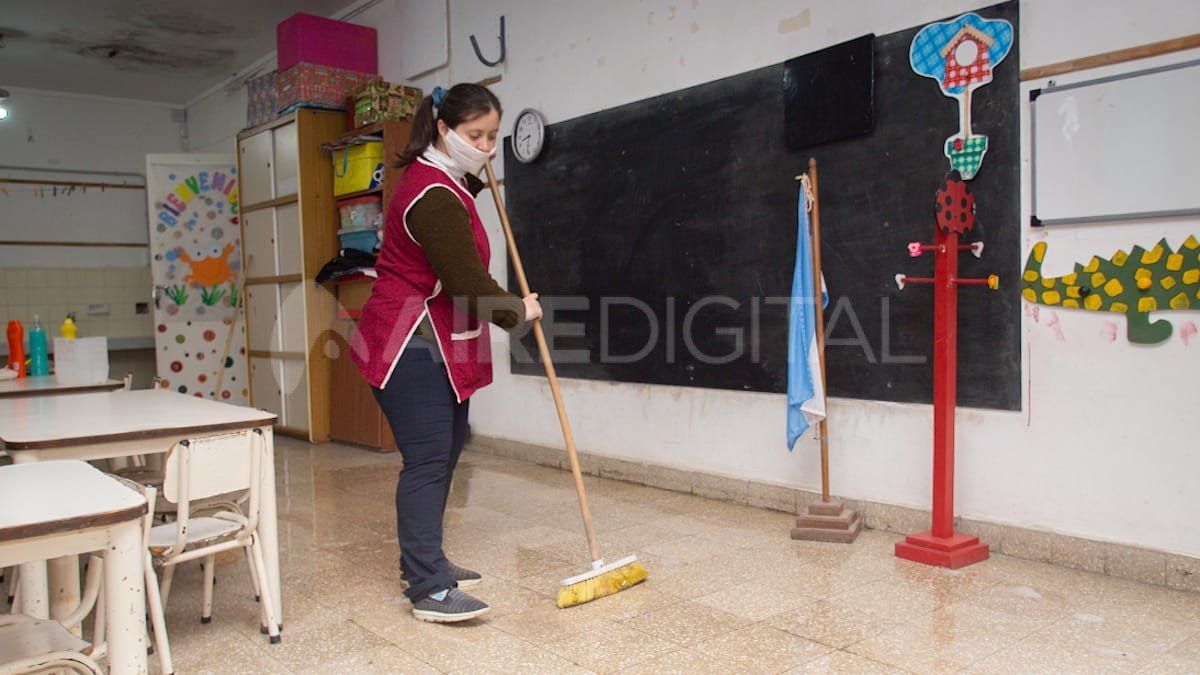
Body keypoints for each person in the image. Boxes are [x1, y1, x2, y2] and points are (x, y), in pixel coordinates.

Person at [351, 83, 542, 622]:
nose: (484, 146)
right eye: (474, 135)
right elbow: (466, 284)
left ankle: (425, 558)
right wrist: (517, 312)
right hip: (404, 342)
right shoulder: (433, 193)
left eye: (492, 137)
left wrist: (473, 181)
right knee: (429, 458)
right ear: (442, 129)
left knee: (451, 442)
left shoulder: (447, 183)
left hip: (428, 338)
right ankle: (428, 588)